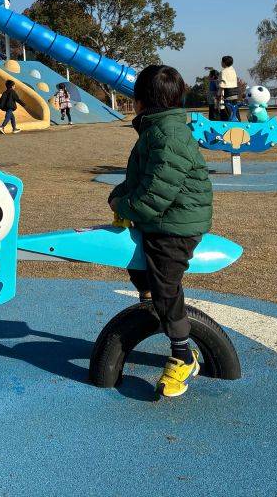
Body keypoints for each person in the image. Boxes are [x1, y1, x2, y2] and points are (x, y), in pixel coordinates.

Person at [106, 65, 213, 398]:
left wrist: (124, 206)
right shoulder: (157, 129)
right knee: (136, 262)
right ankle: (152, 302)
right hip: (163, 217)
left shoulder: (167, 135)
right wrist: (120, 196)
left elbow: (157, 193)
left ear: (140, 102)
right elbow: (143, 179)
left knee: (165, 284)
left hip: (178, 223)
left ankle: (183, 354)